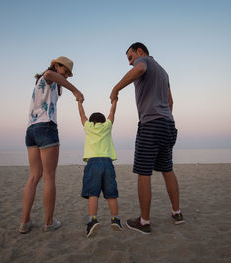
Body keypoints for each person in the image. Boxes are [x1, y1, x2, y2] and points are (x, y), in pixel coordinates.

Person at [110, 42, 184, 235]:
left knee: (144, 172)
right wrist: (166, 117)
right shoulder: (163, 71)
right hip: (167, 123)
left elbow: (140, 68)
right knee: (167, 169)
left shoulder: (143, 62)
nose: (130, 63)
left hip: (150, 123)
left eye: (130, 57)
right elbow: (170, 101)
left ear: (139, 51)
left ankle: (144, 222)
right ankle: (177, 213)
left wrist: (116, 88)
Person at [19, 56, 84, 234]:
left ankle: (25, 222)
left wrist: (65, 85)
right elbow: (50, 73)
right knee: (48, 177)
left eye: (69, 74)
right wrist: (76, 91)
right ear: (56, 66)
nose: (67, 76)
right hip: (46, 127)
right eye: (66, 71)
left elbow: (53, 78)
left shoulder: (47, 84)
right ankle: (48, 222)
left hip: (31, 130)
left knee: (34, 177)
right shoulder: (48, 77)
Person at [77, 98, 122, 238]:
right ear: (103, 121)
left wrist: (79, 102)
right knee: (111, 194)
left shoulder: (88, 127)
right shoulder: (107, 126)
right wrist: (115, 101)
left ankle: (92, 220)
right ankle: (115, 219)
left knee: (93, 193)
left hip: (93, 164)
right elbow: (112, 112)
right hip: (107, 163)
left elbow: (82, 115)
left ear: (91, 122)